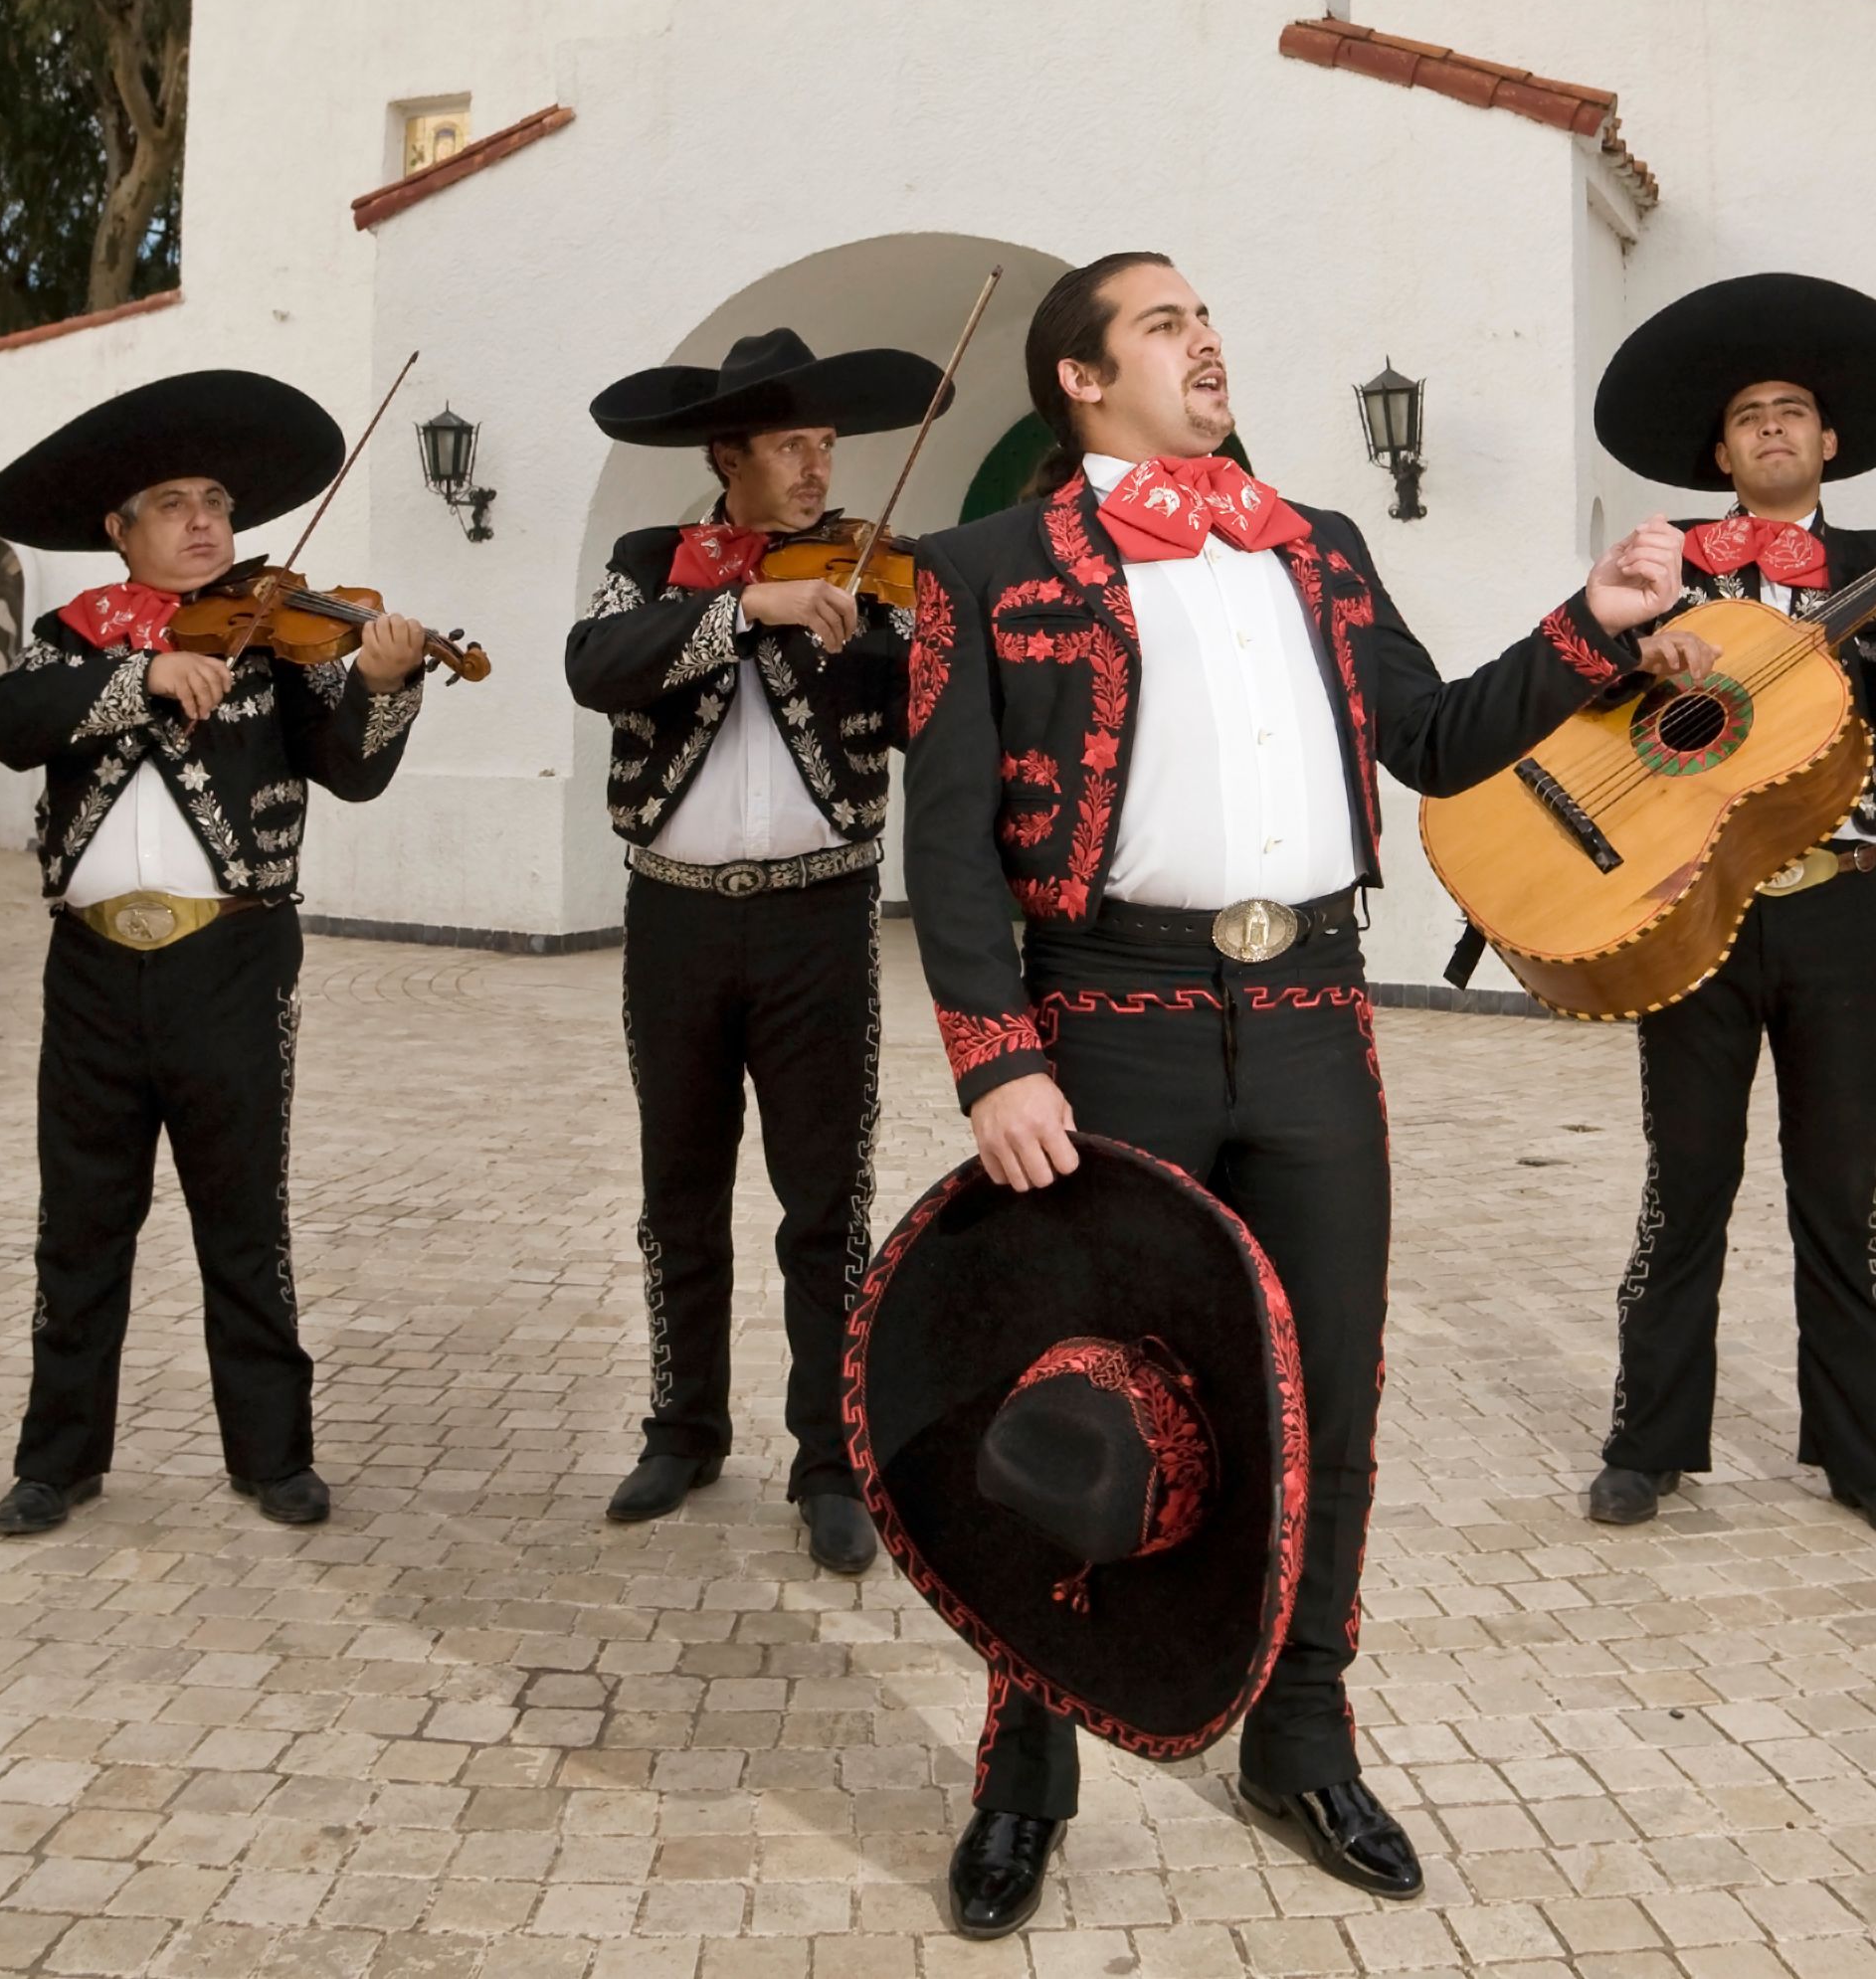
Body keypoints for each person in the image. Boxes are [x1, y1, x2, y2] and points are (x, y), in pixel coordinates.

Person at [899, 252, 1687, 1935]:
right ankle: (1024, 1762)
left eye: (1207, 317)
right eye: (1162, 323)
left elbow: (1434, 731)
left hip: (1315, 1007)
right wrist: (995, 1055)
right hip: (1107, 1013)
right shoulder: (977, 569)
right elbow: (950, 841)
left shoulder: (1310, 540)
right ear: (1079, 380)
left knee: (1325, 1380)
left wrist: (1585, 627)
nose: (1205, 340)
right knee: (1069, 1388)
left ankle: (1299, 1729)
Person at [0, 370, 434, 1540]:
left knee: (243, 1212)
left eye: (216, 498)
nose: (203, 520)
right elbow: (6, 724)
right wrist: (141, 675)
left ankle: (273, 1454)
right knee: (80, 1217)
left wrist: (382, 684)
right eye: (171, 501)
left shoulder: (279, 641)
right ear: (118, 533)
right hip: (87, 965)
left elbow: (353, 767)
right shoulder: (69, 640)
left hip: (231, 960)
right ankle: (57, 1457)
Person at [1582, 274, 1876, 1544]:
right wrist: (1633, 666)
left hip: (1839, 913)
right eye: (1749, 414)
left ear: (1829, 443)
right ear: (1720, 449)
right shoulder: (1665, 563)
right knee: (1684, 1182)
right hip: (1697, 909)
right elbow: (1593, 723)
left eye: (1793, 411)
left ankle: (1870, 1455)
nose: (1770, 427)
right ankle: (1647, 1445)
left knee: (1839, 1187)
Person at [567, 328, 944, 1568]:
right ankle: (683, 1424)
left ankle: (831, 1453)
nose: (816, 464)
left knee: (823, 1199)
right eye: (792, 442)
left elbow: (925, 706)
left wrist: (871, 645)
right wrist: (745, 607)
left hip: (820, 913)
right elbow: (597, 666)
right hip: (672, 909)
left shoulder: (875, 570)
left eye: (827, 443)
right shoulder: (644, 564)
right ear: (727, 453)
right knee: (679, 1187)